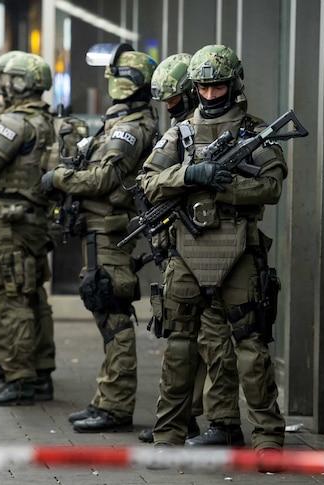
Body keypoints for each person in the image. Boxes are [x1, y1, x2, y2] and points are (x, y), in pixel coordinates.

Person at [140, 45, 287, 465]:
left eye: (217, 85)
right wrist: (191, 173)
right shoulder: (181, 133)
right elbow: (148, 182)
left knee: (251, 346)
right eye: (202, 87)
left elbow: (273, 185)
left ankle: (269, 441)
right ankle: (168, 436)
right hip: (187, 249)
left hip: (238, 246)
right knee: (178, 345)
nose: (209, 95)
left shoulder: (253, 132)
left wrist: (228, 188)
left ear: (234, 83)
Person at [41, 44, 158, 433]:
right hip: (101, 231)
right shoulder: (122, 122)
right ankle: (107, 400)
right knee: (106, 313)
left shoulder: (128, 127)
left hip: (110, 232)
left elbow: (105, 180)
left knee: (114, 318)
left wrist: (58, 178)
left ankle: (115, 406)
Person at [0, 52, 57, 407]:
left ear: (18, 83)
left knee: (13, 297)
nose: (2, 85)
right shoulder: (48, 120)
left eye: (7, 79)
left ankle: (19, 378)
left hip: (11, 221)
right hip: (34, 219)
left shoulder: (14, 123)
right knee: (34, 296)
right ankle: (39, 371)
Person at [136, 52, 206, 444]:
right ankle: (184, 418)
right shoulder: (179, 132)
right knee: (181, 333)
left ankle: (208, 420)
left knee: (204, 337)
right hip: (178, 239)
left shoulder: (204, 131)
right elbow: (152, 180)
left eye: (173, 100)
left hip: (206, 243)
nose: (169, 108)